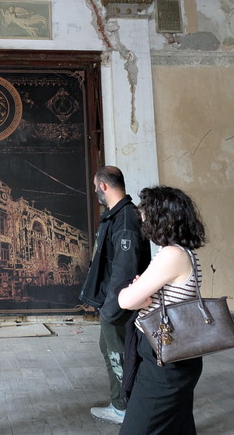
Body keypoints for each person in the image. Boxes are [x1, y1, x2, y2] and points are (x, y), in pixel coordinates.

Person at [117, 186, 207, 435]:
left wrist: (136, 295)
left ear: (161, 217)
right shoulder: (185, 253)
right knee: (176, 428)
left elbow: (125, 300)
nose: (142, 217)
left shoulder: (171, 255)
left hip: (164, 361)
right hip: (178, 354)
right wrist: (142, 296)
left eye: (145, 212)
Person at [80, 166, 151, 424]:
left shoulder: (125, 220)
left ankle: (125, 409)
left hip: (120, 306)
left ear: (103, 186)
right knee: (109, 348)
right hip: (113, 302)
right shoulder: (115, 215)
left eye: (95, 185)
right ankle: (122, 405)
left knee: (119, 354)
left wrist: (111, 310)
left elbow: (124, 271)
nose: (95, 190)